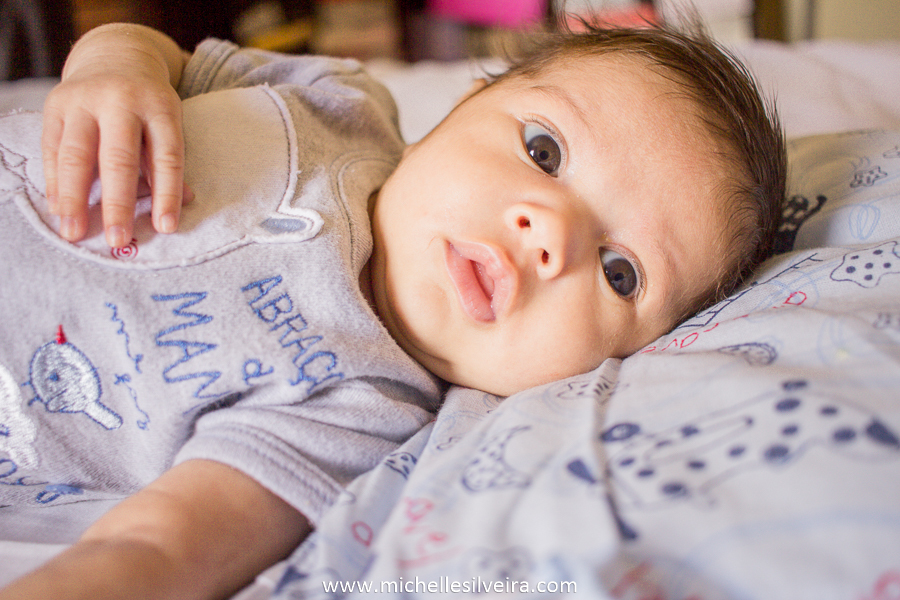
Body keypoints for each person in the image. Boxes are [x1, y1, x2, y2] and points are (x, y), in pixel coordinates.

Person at [0, 16, 785, 600]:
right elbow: (162, 53)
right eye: (543, 151)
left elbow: (154, 553)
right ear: (469, 100)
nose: (552, 234)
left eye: (621, 273)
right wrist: (112, 64)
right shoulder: (340, 101)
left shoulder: (358, 417)